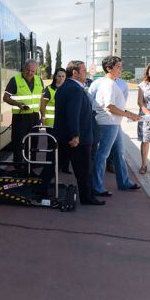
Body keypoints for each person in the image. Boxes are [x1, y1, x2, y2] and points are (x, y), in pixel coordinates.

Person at [42, 60, 105, 205]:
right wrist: (75, 135)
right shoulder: (75, 89)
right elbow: (73, 113)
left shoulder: (64, 87)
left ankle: (40, 188)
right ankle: (87, 198)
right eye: (83, 70)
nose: (86, 73)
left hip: (64, 136)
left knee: (53, 165)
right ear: (75, 73)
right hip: (77, 139)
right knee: (84, 170)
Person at [89, 56, 142, 197]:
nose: (121, 69)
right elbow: (110, 107)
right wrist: (128, 115)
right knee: (102, 155)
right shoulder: (109, 85)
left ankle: (124, 182)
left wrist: (129, 114)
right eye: (118, 66)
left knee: (119, 153)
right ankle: (97, 186)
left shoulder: (111, 83)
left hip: (113, 123)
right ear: (109, 68)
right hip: (108, 122)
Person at [3, 59, 43, 165]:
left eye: (33, 71)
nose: (30, 73)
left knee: (34, 141)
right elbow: (5, 97)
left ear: (36, 71)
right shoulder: (15, 80)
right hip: (20, 117)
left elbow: (42, 99)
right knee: (18, 141)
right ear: (24, 68)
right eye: (28, 70)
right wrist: (18, 104)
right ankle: (18, 165)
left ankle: (32, 164)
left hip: (35, 116)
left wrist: (43, 116)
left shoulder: (39, 80)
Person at [41, 67, 70, 173]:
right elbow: (42, 105)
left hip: (65, 123)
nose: (61, 78)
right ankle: (49, 166)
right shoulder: (48, 89)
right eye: (59, 76)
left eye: (63, 76)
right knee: (52, 145)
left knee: (66, 145)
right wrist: (43, 118)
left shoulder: (68, 89)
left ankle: (64, 167)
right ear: (55, 77)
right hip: (51, 123)